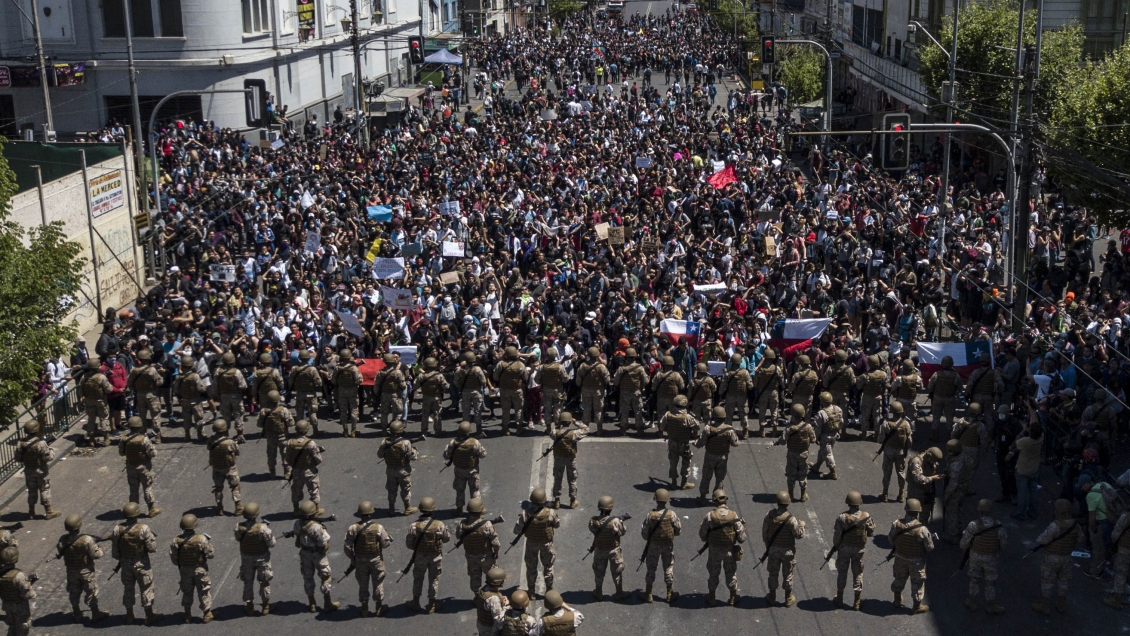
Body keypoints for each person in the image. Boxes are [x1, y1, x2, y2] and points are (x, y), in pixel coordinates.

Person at [111, 502, 163, 625]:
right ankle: (149, 615)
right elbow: (152, 548)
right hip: (141, 563)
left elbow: (115, 553)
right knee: (146, 588)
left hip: (125, 564)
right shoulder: (143, 528)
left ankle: (129, 615)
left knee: (128, 588)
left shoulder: (117, 529)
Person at [56, 514, 111, 623]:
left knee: (74, 591)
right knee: (91, 591)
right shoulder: (86, 540)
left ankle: (77, 613)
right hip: (86, 571)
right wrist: (101, 550)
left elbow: (60, 551)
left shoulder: (63, 539)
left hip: (71, 571)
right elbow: (96, 555)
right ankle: (95, 613)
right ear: (79, 526)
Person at [1032, 499, 1082, 615]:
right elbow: (1080, 539)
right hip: (1067, 558)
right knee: (1064, 582)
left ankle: (1045, 606)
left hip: (1051, 558)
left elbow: (1041, 540)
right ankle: (1061, 604)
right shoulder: (1076, 524)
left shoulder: (1055, 525)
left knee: (1047, 581)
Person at [343, 501, 393, 617]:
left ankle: (364, 608)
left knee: (363, 583)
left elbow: (347, 547)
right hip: (376, 560)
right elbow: (385, 544)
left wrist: (353, 558)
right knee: (378, 582)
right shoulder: (378, 527)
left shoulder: (353, 528)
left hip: (360, 560)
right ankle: (379, 607)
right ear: (371, 514)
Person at [700, 488, 746, 607]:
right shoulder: (733, 515)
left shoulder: (710, 515)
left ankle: (711, 597)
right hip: (729, 551)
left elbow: (702, 535)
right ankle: (732, 597)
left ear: (714, 501)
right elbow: (742, 538)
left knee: (713, 573)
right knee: (730, 573)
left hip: (714, 551)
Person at [960, 499, 1007, 614]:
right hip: (991, 558)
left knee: (974, 579)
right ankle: (991, 605)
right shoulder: (999, 526)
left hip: (975, 556)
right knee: (990, 582)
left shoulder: (973, 525)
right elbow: (1004, 545)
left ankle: (972, 602)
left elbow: (963, 544)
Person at [405, 496, 450, 613]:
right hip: (435, 556)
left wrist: (418, 549)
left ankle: (415, 602)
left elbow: (409, 543)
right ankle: (431, 605)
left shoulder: (414, 525)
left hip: (420, 556)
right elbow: (446, 539)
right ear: (432, 509)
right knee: (434, 579)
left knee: (418, 579)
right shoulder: (439, 524)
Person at [889, 499, 934, 614]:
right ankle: (916, 606)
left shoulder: (897, 524)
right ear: (918, 512)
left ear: (906, 510)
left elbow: (891, 539)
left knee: (899, 578)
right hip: (916, 561)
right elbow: (930, 548)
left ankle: (897, 599)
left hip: (900, 557)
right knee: (917, 582)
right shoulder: (922, 529)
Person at [293, 499, 339, 612]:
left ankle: (312, 603)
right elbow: (323, 543)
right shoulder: (317, 527)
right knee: (325, 577)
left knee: (308, 577)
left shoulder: (297, 524)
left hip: (304, 554)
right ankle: (327, 602)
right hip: (318, 555)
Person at [762, 490, 806, 607]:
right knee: (788, 574)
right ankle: (788, 598)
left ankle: (772, 596)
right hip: (787, 551)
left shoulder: (770, 515)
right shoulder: (791, 519)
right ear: (788, 503)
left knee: (773, 573)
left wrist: (768, 546)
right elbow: (799, 535)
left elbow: (764, 532)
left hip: (773, 550)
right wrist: (802, 525)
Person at [832, 491, 874, 610]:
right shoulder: (866, 516)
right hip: (859, 550)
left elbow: (837, 535)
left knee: (842, 573)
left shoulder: (842, 517)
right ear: (860, 502)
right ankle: (857, 601)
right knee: (858, 573)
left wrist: (836, 546)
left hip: (844, 549)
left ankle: (839, 598)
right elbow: (871, 532)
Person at [514, 487, 560, 596]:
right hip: (546, 544)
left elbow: (516, 530)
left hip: (531, 543)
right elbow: (557, 524)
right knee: (548, 567)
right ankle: (549, 590)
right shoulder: (551, 513)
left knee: (531, 567)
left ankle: (531, 592)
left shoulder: (526, 514)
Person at [170, 514, 215, 623]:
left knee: (187, 591)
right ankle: (207, 614)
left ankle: (187, 614)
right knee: (203, 591)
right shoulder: (201, 539)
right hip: (200, 570)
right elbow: (210, 554)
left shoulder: (176, 541)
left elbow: (174, 559)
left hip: (185, 570)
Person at [639, 488, 681, 604]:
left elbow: (644, 533)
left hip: (653, 545)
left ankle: (648, 593)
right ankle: (669, 593)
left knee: (651, 568)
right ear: (667, 500)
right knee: (668, 567)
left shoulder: (650, 515)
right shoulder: (671, 514)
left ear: (656, 500)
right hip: (667, 545)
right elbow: (678, 529)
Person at [234, 502, 275, 616]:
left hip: (246, 559)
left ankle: (249, 607)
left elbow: (238, 539)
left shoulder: (239, 527)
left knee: (248, 582)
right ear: (256, 514)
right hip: (262, 559)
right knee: (264, 581)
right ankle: (266, 606)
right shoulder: (263, 528)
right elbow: (272, 543)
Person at [16, 421, 60, 520]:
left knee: (31, 490)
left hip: (28, 470)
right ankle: (49, 511)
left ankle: (31, 511)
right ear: (36, 430)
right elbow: (48, 458)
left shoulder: (20, 443)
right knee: (45, 489)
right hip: (41, 471)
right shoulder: (41, 443)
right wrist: (51, 450)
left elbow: (18, 458)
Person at [119, 417, 162, 517]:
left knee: (133, 489)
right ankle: (151, 509)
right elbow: (153, 453)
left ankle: (133, 511)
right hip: (144, 467)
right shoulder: (144, 439)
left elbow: (121, 453)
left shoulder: (124, 439)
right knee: (147, 487)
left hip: (131, 467)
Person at [456, 497, 501, 594]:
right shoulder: (487, 524)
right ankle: (493, 596)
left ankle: (478, 597)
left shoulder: (462, 524)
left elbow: (458, 536)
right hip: (486, 556)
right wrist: (496, 552)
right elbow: (495, 542)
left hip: (470, 556)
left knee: (475, 577)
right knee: (493, 576)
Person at [588, 496, 628, 601]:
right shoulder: (615, 521)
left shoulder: (593, 521)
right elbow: (622, 532)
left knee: (599, 571)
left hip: (599, 549)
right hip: (613, 550)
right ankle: (619, 592)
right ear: (611, 508)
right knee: (617, 571)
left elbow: (592, 529)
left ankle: (598, 592)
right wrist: (621, 521)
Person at [697, 406, 739, 504]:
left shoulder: (708, 429)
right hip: (723, 457)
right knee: (720, 478)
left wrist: (695, 443)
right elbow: (735, 444)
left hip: (710, 456)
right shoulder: (729, 430)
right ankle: (718, 498)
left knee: (706, 477)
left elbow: (701, 443)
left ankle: (702, 497)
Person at [443, 421, 487, 513]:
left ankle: (459, 509)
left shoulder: (453, 442)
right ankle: (477, 510)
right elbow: (483, 455)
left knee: (460, 490)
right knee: (474, 490)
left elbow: (446, 455)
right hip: (472, 470)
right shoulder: (474, 442)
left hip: (459, 470)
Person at [378, 420, 420, 515]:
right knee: (405, 490)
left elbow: (379, 455)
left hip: (390, 470)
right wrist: (415, 450)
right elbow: (413, 457)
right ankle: (407, 508)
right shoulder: (406, 443)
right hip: (403, 471)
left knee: (391, 490)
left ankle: (391, 509)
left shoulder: (385, 442)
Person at [286, 420, 324, 515]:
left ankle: (296, 510)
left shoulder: (290, 442)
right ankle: (316, 510)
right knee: (314, 490)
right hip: (309, 471)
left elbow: (287, 458)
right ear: (307, 430)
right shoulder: (311, 443)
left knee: (296, 490)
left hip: (296, 470)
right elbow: (318, 459)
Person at [779, 403, 815, 502]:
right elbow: (813, 439)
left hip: (792, 454)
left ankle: (790, 494)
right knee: (802, 474)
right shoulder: (808, 426)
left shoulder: (790, 428)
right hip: (804, 454)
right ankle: (803, 494)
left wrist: (778, 441)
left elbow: (782, 441)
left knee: (791, 474)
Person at [550, 412, 587, 509]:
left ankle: (557, 501)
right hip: (570, 459)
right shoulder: (574, 433)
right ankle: (572, 500)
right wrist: (576, 423)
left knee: (557, 479)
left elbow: (551, 432)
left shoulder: (555, 432)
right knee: (572, 479)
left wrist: (558, 424)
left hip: (558, 458)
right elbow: (586, 429)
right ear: (569, 421)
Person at [661, 395, 699, 490]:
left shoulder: (668, 415)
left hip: (672, 442)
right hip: (684, 443)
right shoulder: (688, 417)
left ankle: (673, 482)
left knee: (673, 462)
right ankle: (684, 482)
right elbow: (696, 427)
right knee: (686, 462)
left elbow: (662, 427)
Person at [878, 402, 913, 502]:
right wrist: (905, 449)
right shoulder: (906, 424)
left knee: (887, 472)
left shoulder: (886, 423)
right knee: (901, 473)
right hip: (900, 452)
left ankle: (885, 494)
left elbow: (880, 439)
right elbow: (909, 441)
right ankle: (901, 494)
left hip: (889, 451)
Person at [127, 348, 164, 441]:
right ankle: (157, 436)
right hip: (152, 395)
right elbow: (159, 382)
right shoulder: (152, 370)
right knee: (155, 415)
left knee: (142, 415)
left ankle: (142, 434)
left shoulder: (134, 370)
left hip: (140, 395)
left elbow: (129, 384)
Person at [207, 419, 242, 515]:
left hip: (217, 467)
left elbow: (209, 448)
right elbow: (237, 452)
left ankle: (220, 508)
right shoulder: (229, 442)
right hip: (230, 468)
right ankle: (238, 508)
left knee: (218, 488)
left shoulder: (211, 440)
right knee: (235, 487)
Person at [612, 347, 649, 433]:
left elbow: (615, 382)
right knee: (638, 412)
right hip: (636, 392)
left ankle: (623, 429)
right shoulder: (640, 368)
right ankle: (639, 429)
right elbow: (646, 381)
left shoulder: (622, 368)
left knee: (624, 412)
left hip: (624, 392)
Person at [0, 547, 35, 636]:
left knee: (12, 626)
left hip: (7, 605)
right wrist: (30, 584)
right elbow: (28, 595)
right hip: (20, 608)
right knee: (22, 628)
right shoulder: (19, 575)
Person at [258, 391, 294, 478]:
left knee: (271, 455)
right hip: (282, 437)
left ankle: (272, 472)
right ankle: (287, 472)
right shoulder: (283, 410)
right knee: (285, 455)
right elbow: (291, 423)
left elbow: (259, 424)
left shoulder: (263, 411)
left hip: (270, 437)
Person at [172, 356, 207, 441]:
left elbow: (175, 390)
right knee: (199, 418)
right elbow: (201, 388)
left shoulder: (179, 377)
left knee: (186, 418)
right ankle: (200, 434)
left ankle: (187, 435)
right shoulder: (195, 376)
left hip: (185, 400)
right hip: (195, 400)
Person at [576, 347, 610, 434]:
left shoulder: (583, 366)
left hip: (586, 390)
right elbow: (607, 380)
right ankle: (599, 429)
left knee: (586, 409)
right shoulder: (601, 366)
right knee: (598, 410)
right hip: (598, 390)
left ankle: (585, 430)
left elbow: (578, 380)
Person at [215, 352, 248, 442]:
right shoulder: (236, 372)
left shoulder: (218, 371)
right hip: (236, 396)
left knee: (226, 416)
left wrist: (217, 395)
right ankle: (239, 435)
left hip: (224, 395)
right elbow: (243, 386)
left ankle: (225, 434)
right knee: (238, 414)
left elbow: (215, 385)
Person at [927, 355, 961, 439]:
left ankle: (934, 435)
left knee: (936, 417)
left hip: (937, 397)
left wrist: (931, 393)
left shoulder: (936, 374)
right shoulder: (956, 375)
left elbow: (930, 386)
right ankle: (949, 435)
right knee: (949, 418)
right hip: (950, 398)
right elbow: (960, 387)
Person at [907, 447, 944, 525]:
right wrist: (932, 478)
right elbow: (919, 479)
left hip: (927, 492)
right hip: (915, 492)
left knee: (925, 516)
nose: (934, 463)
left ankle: (921, 533)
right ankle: (909, 534)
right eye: (933, 461)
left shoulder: (931, 461)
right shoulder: (916, 462)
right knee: (911, 514)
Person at [81, 358, 114, 446]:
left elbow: (80, 390)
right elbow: (109, 390)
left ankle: (91, 439)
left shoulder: (84, 377)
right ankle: (106, 438)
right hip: (101, 400)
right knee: (103, 418)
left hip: (89, 401)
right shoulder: (101, 377)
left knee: (91, 419)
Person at [811, 392, 843, 479]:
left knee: (828, 453)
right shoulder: (838, 409)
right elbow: (841, 421)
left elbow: (818, 428)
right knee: (824, 450)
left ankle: (833, 472)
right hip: (834, 434)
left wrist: (815, 438)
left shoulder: (821, 413)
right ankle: (817, 466)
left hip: (825, 436)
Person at [456, 353, 491, 433]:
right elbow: (483, 381)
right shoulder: (477, 369)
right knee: (478, 411)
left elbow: (456, 382)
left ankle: (465, 430)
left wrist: (461, 387)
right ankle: (479, 429)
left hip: (465, 392)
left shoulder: (460, 370)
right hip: (476, 391)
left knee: (466, 411)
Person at [856, 355, 889, 439]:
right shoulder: (883, 374)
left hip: (867, 397)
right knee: (877, 416)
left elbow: (858, 386)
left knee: (865, 415)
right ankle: (876, 434)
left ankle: (864, 433)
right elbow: (886, 385)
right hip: (878, 397)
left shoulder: (865, 375)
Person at [1104, 505, 1130, 610]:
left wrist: (1114, 545)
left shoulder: (1126, 517)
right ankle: (1124, 594)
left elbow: (1116, 533)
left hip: (1125, 548)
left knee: (1121, 573)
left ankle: (1117, 599)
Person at [537, 348, 569, 434]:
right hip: (557, 390)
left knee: (547, 409)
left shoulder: (542, 367)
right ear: (555, 356)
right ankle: (557, 428)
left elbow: (537, 380)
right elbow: (566, 379)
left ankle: (548, 428)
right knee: (557, 409)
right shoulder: (560, 367)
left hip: (546, 390)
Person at [332, 350, 364, 436]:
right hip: (352, 391)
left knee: (343, 410)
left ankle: (345, 430)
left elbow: (333, 380)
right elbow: (359, 380)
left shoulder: (337, 368)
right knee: (353, 410)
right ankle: (353, 430)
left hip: (342, 390)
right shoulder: (353, 368)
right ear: (349, 357)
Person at [942, 440, 968, 543]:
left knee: (952, 512)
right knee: (959, 510)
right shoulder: (962, 456)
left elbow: (953, 483)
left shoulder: (955, 465)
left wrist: (946, 496)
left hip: (955, 492)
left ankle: (953, 535)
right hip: (962, 488)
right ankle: (958, 529)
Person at [720, 354, 752, 437]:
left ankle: (727, 431)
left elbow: (723, 386)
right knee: (743, 414)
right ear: (740, 362)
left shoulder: (728, 374)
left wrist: (720, 393)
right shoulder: (745, 372)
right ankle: (745, 432)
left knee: (729, 414)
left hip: (731, 395)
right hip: (742, 396)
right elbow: (750, 386)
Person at [416, 357, 450, 435]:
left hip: (426, 396)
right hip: (436, 396)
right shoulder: (439, 375)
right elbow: (446, 386)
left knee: (425, 414)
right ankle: (437, 430)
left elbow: (416, 386)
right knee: (437, 413)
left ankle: (424, 431)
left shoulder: (422, 375)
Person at [376, 353, 408, 432]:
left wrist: (378, 393)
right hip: (395, 395)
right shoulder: (397, 372)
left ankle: (384, 429)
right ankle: (396, 430)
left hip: (384, 394)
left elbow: (376, 385)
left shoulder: (380, 372)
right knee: (398, 413)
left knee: (384, 413)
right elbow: (403, 385)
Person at [474, 566, 509, 635]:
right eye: (503, 580)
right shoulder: (494, 598)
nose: (504, 581)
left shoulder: (483, 589)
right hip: (490, 629)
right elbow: (498, 620)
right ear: (497, 582)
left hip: (481, 624)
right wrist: (506, 606)